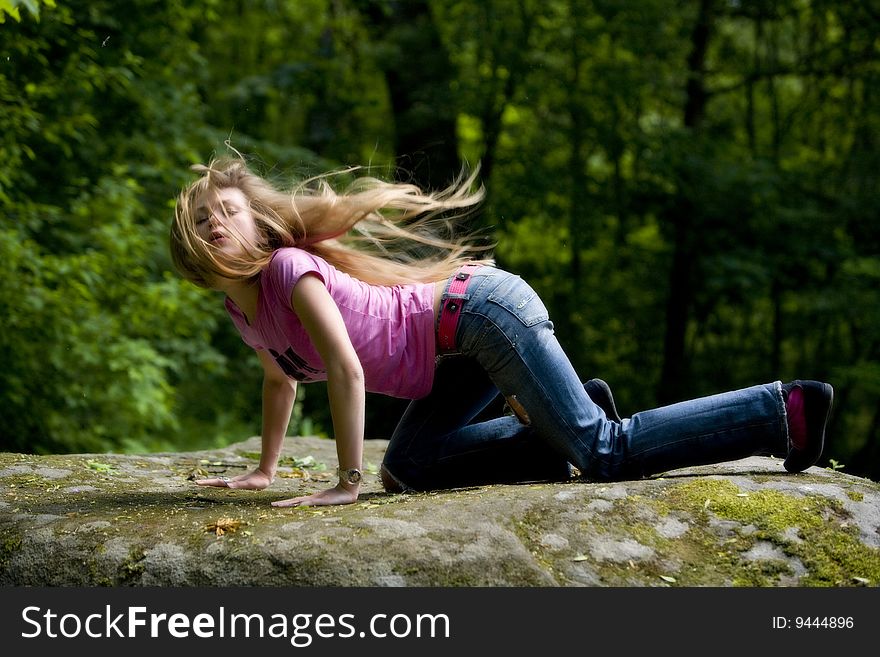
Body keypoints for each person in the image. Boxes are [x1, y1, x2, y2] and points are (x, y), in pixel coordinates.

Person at [170, 156, 834, 508]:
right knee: (407, 470)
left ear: (261, 224)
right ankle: (558, 421)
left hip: (482, 315)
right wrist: (263, 470)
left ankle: (786, 409)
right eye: (201, 221)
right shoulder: (243, 310)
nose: (214, 224)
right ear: (190, 249)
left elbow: (345, 370)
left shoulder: (289, 270)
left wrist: (346, 477)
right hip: (452, 354)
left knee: (603, 452)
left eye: (226, 211)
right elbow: (279, 380)